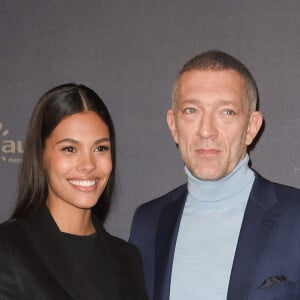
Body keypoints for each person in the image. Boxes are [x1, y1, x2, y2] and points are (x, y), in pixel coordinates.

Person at [129, 50, 300, 300]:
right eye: (191, 111)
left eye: (226, 112)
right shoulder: (147, 222)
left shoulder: (295, 217)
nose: (206, 131)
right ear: (173, 125)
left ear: (251, 127)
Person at [0, 83, 148, 300]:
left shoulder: (127, 258)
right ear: (41, 155)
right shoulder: (9, 248)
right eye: (70, 149)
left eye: (100, 148)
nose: (88, 165)